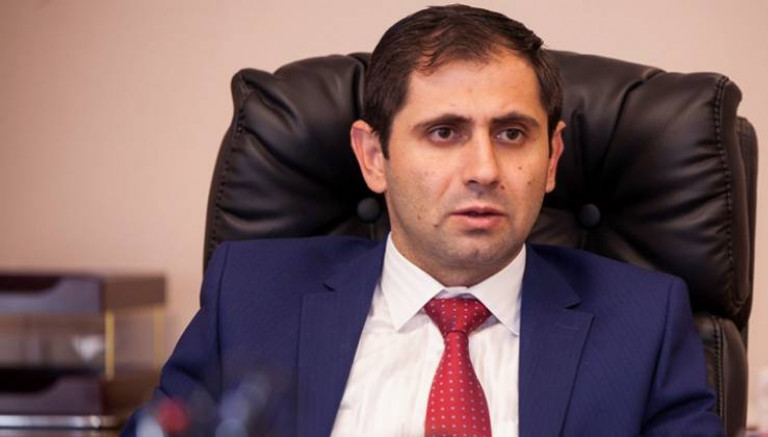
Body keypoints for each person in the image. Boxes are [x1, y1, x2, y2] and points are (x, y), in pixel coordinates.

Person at [122, 4, 724, 437]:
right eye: (443, 132)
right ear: (373, 157)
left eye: (513, 134)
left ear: (552, 159)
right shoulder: (252, 297)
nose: (484, 170)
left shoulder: (643, 321)